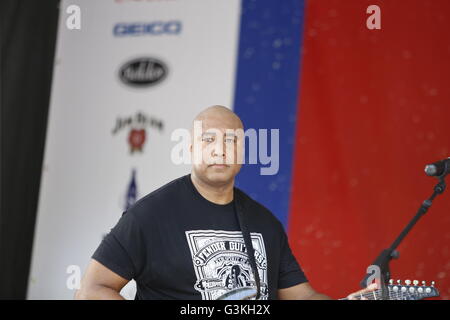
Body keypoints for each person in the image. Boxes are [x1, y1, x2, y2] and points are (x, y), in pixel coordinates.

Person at [75, 105, 375, 300]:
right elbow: (91, 289)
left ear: (243, 152)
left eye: (230, 141)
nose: (220, 150)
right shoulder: (150, 215)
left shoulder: (265, 223)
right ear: (192, 150)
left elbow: (302, 296)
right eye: (209, 141)